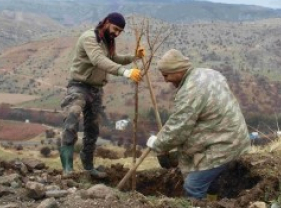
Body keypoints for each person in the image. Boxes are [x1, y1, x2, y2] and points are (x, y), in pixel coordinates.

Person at [146, 49, 250, 200]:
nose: (165, 80)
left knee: (193, 186)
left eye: (166, 75)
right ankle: (215, 199)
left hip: (224, 146)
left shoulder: (190, 91)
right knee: (211, 180)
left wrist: (158, 145)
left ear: (178, 71)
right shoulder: (209, 73)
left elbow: (178, 127)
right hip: (235, 137)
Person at [59, 12, 145, 178]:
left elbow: (115, 58)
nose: (116, 34)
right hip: (79, 86)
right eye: (115, 29)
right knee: (72, 118)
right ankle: (67, 169)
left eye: (120, 31)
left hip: (96, 90)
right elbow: (98, 59)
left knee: (93, 129)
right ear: (106, 23)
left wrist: (135, 57)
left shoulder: (107, 42)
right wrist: (125, 72)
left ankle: (88, 167)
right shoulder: (89, 38)